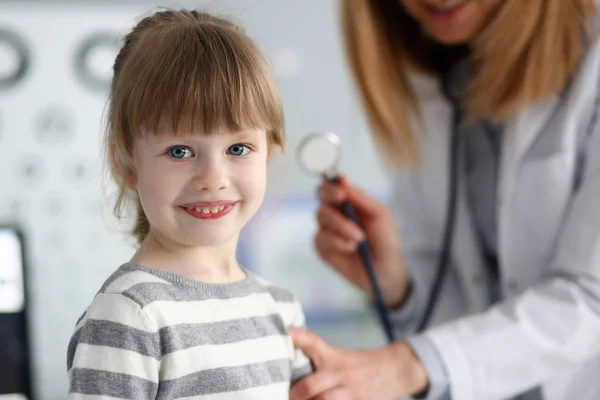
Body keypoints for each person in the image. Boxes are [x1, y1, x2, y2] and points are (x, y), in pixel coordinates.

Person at [289, 0, 600, 399]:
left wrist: (404, 366)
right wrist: (399, 290)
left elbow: (589, 301)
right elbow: (471, 324)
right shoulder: (433, 77)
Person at [66, 8, 312, 399]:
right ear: (126, 163)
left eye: (238, 147)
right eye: (179, 150)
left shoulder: (280, 308)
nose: (212, 178)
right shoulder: (131, 314)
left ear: (270, 152)